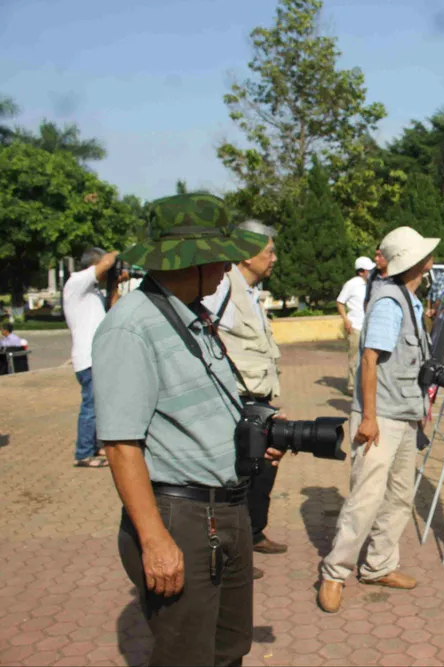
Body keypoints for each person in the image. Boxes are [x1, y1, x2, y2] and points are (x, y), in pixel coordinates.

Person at [93, 193, 284, 666]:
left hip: (228, 508)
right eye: (218, 258)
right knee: (187, 656)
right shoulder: (132, 327)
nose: (226, 268)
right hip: (181, 516)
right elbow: (120, 444)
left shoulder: (193, 318)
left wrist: (259, 438)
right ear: (191, 261)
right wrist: (155, 539)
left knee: (228, 649)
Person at [318, 226, 439, 614]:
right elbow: (369, 360)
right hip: (381, 417)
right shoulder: (390, 302)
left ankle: (379, 565)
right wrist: (367, 418)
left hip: (402, 414)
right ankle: (335, 572)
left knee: (400, 495)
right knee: (366, 498)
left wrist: (421, 408)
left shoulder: (407, 300)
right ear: (419, 263)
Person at [202, 221, 285, 577]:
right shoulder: (222, 288)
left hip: (260, 399)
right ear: (247, 254)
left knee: (264, 470)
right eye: (268, 251)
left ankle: (253, 534)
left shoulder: (251, 292)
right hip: (237, 401)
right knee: (236, 479)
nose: (274, 258)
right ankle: (230, 555)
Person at [63, 247, 127, 468]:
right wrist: (116, 253)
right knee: (90, 405)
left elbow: (114, 310)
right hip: (86, 357)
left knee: (99, 405)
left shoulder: (93, 291)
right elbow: (106, 262)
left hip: (98, 357)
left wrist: (115, 284)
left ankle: (94, 446)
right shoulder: (76, 282)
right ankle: (83, 454)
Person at [336, 257, 376, 395]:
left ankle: (364, 383)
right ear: (361, 272)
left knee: (367, 357)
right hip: (356, 326)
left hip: (369, 326)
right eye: (368, 270)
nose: (371, 272)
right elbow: (340, 302)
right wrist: (346, 320)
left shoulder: (372, 284)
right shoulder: (352, 284)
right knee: (354, 356)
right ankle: (352, 386)